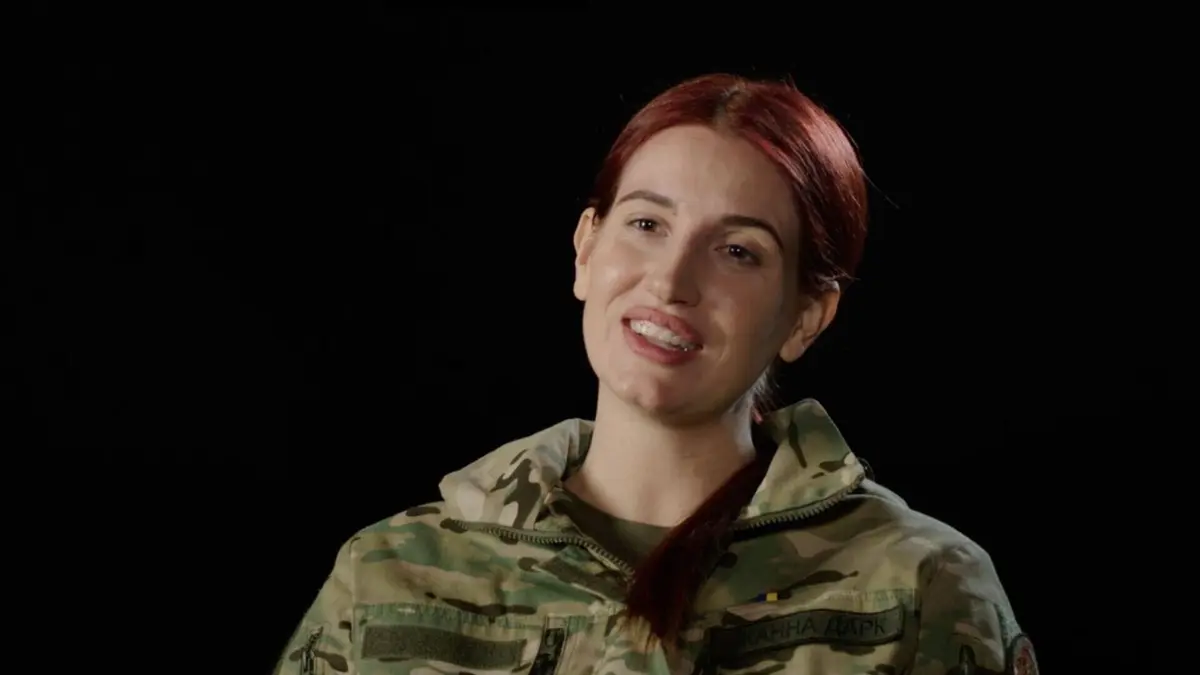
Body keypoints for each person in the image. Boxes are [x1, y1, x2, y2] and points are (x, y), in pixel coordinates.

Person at [272, 73, 1036, 675]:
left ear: (807, 315)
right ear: (586, 248)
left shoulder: (920, 587)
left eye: (737, 251)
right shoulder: (391, 574)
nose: (671, 282)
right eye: (647, 224)